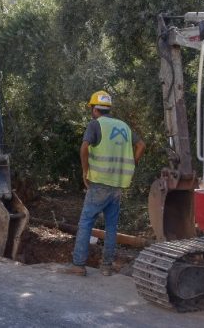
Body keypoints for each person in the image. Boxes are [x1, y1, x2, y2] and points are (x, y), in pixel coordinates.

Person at [62, 91, 146, 277]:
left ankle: (78, 264)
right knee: (111, 226)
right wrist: (132, 163)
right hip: (118, 184)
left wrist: (85, 171)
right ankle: (106, 266)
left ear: (94, 109)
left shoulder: (95, 124)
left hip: (100, 182)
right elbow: (141, 145)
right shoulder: (124, 126)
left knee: (86, 222)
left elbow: (84, 147)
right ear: (108, 108)